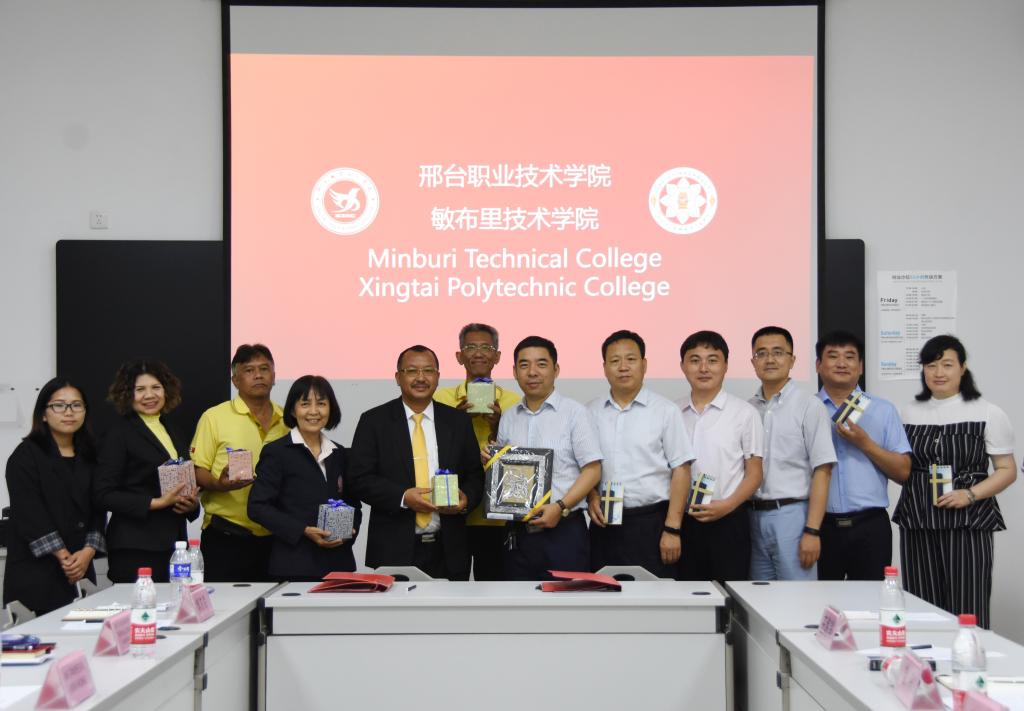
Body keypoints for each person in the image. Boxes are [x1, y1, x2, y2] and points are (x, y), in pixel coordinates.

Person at [894, 334, 1016, 629]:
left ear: (963, 368)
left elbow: (1007, 470)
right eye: (931, 365)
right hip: (918, 517)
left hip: (968, 519)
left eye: (947, 364)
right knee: (921, 606)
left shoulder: (987, 412)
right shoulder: (907, 413)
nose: (939, 372)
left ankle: (968, 657)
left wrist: (970, 494)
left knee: (968, 606)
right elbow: (901, 466)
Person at [349, 345, 484, 580]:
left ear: (438, 377)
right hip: (394, 548)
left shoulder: (458, 421)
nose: (421, 378)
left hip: (449, 549)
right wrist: (403, 497)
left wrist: (466, 500)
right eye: (412, 371)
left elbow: (475, 475)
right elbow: (359, 479)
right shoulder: (374, 421)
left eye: (428, 371)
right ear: (398, 377)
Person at [587, 330, 694, 578]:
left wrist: (672, 529)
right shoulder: (590, 412)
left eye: (631, 359)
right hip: (604, 523)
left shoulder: (665, 411)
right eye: (615, 361)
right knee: (602, 594)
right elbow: (585, 466)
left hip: (652, 523)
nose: (623, 367)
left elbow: (681, 469)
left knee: (654, 597)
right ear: (604, 368)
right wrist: (591, 495)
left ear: (644, 365)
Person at [496, 336, 602, 580]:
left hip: (564, 531)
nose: (532, 372)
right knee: (517, 600)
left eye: (541, 364)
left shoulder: (575, 413)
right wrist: (492, 463)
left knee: (567, 602)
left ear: (556, 370)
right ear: (514, 372)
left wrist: (560, 507)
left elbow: (593, 470)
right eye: (524, 365)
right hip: (518, 533)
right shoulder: (509, 417)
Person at [3, 378, 105, 615]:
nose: (69, 412)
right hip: (37, 570)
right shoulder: (25, 456)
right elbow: (29, 514)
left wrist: (88, 551)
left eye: (76, 405)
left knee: (81, 632)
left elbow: (99, 507)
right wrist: (64, 557)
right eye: (59, 405)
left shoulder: (91, 456)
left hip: (81, 567)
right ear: (44, 414)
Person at [814, 331, 911, 581]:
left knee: (871, 601)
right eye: (832, 356)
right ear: (818, 365)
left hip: (870, 527)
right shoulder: (806, 409)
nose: (841, 363)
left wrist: (866, 444)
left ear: (861, 367)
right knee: (819, 600)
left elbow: (903, 472)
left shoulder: (883, 410)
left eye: (849, 357)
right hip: (819, 526)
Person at [94, 360, 199, 582]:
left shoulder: (171, 429)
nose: (149, 395)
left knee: (175, 602)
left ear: (166, 390)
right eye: (140, 389)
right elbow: (103, 494)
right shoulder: (118, 433)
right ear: (127, 394)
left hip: (174, 544)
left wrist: (192, 506)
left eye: (156, 387)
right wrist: (157, 503)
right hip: (135, 546)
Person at [191, 344, 289, 582]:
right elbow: (197, 469)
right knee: (225, 604)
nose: (258, 375)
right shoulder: (214, 417)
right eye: (249, 370)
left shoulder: (288, 419)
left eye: (264, 369)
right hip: (227, 535)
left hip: (278, 536)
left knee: (274, 605)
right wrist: (219, 484)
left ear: (274, 376)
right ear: (235, 380)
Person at [248, 376, 361, 581]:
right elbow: (257, 507)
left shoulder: (340, 454)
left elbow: (354, 504)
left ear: (331, 409)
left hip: (338, 564)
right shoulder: (277, 452)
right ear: (293, 410)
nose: (314, 411)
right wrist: (303, 530)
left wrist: (349, 533)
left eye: (322, 404)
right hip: (294, 565)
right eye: (305, 404)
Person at [747, 326, 836, 581]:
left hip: (793, 517)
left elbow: (823, 470)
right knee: (757, 598)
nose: (770, 359)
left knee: (797, 598)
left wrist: (812, 530)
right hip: (751, 517)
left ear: (792, 360)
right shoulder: (747, 409)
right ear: (753, 362)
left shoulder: (809, 406)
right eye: (761, 353)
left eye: (778, 352)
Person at [675, 330, 763, 583]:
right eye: (695, 360)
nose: (704, 368)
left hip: (729, 518)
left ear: (725, 366)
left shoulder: (744, 413)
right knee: (686, 594)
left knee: (730, 595)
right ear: (682, 366)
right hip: (683, 520)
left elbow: (755, 473)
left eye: (712, 360)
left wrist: (728, 505)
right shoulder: (671, 412)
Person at [434, 323, 520, 580]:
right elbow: (429, 449)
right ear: (459, 356)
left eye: (486, 347)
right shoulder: (441, 400)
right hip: (452, 512)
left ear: (497, 356)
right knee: (450, 587)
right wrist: (455, 422)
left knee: (494, 589)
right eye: (470, 347)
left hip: (497, 516)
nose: (479, 353)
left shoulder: (514, 402)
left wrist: (498, 427)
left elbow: (522, 460)